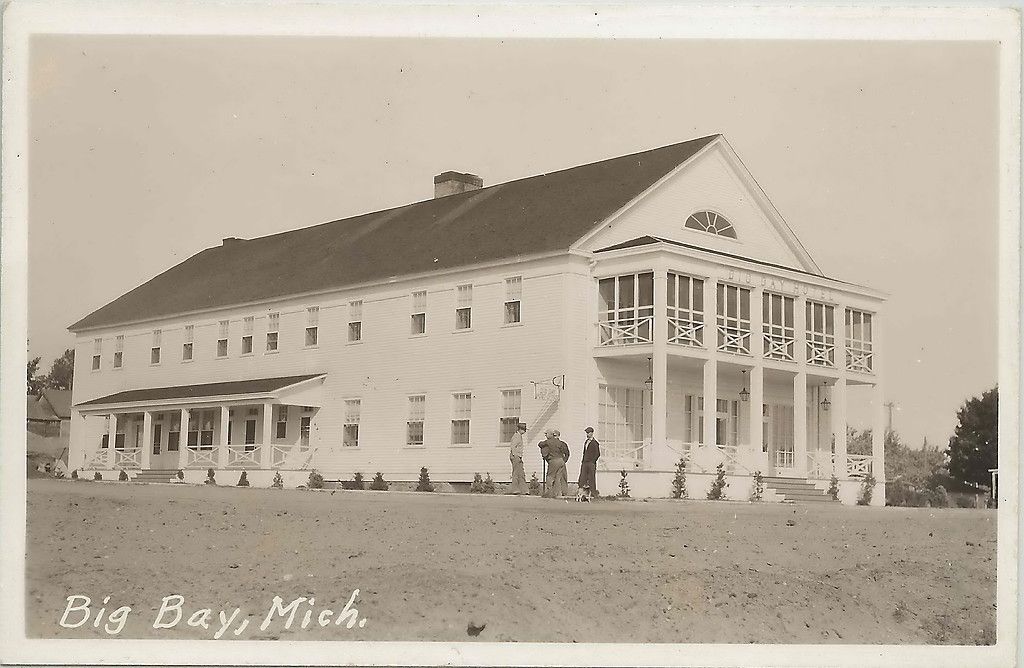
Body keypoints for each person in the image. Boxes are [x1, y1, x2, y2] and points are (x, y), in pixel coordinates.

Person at [540, 429, 568, 498]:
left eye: (546, 434)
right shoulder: (560, 442)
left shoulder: (548, 442)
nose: (545, 435)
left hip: (554, 460)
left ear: (550, 435)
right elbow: (565, 452)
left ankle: (549, 493)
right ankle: (558, 493)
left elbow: (540, 444)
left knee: (550, 476)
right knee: (558, 478)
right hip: (561, 460)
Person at [578, 426, 601, 499]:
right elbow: (584, 452)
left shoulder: (595, 443)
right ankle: (582, 493)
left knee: (591, 478)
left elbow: (597, 454)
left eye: (588, 433)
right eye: (586, 433)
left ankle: (593, 493)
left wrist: (592, 461)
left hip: (591, 463)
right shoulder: (586, 442)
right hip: (585, 462)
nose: (587, 434)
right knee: (583, 477)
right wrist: (583, 461)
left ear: (592, 433)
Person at [507, 423, 529, 495]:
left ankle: (524, 490)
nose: (524, 431)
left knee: (521, 473)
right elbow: (513, 446)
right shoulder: (516, 436)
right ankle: (515, 489)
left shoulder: (519, 436)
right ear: (520, 429)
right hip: (516, 456)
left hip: (519, 456)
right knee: (516, 473)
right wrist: (515, 455)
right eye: (524, 430)